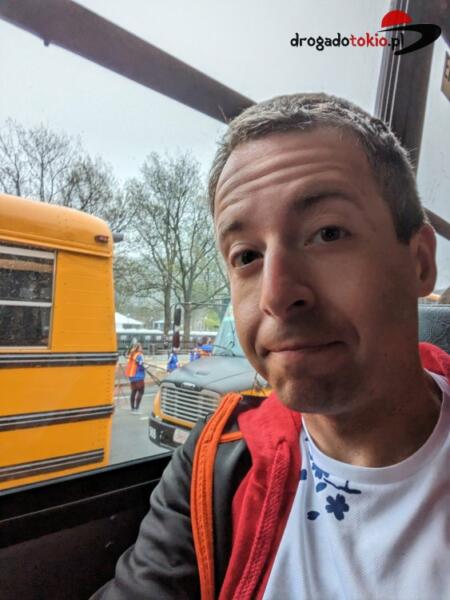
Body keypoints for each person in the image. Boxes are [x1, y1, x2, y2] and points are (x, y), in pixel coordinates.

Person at [92, 93, 450, 599]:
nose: (276, 296)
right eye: (246, 257)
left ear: (419, 263)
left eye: (328, 233)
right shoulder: (219, 459)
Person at [124, 343, 145, 413]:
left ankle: (132, 408)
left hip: (132, 376)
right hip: (139, 376)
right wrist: (145, 367)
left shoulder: (132, 355)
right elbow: (141, 366)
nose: (141, 348)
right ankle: (137, 408)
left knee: (134, 391)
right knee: (141, 391)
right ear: (138, 348)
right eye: (140, 347)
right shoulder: (139, 355)